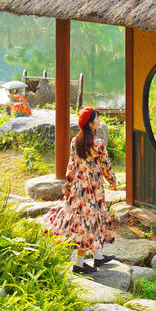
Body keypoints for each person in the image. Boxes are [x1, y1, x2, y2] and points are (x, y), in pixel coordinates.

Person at [42, 106, 118, 274]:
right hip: (93, 188)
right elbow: (106, 166)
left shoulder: (75, 141)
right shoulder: (98, 143)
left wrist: (68, 185)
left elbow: (71, 165)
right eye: (97, 118)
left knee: (86, 221)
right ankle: (78, 264)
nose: (99, 121)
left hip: (79, 186)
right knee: (90, 222)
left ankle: (98, 256)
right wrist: (112, 180)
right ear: (90, 124)